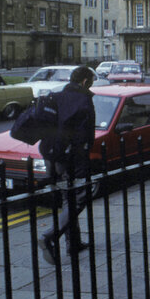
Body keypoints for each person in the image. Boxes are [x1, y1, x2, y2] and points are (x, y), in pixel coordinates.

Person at [38, 65, 97, 266]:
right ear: (84, 81)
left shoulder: (57, 96)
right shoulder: (84, 100)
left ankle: (74, 243)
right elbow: (86, 135)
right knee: (80, 196)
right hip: (71, 157)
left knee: (67, 197)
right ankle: (49, 236)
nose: (92, 85)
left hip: (49, 155)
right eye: (92, 81)